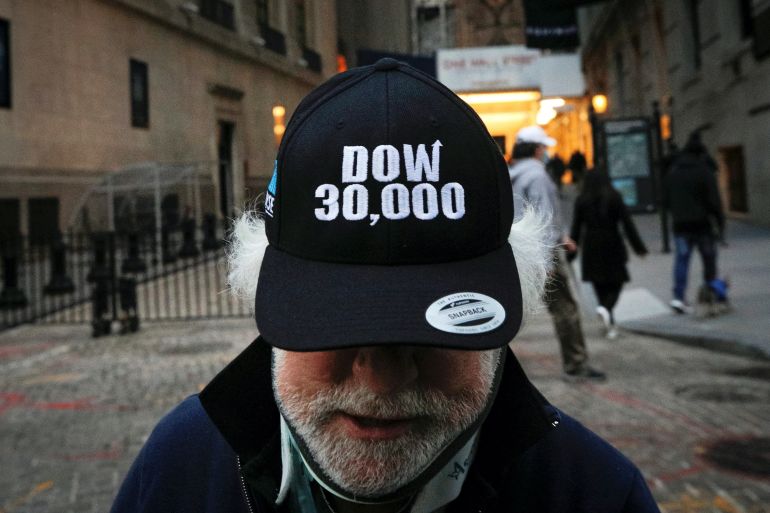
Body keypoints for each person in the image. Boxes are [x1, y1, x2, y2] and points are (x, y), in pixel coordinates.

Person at [110, 59, 659, 513]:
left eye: (431, 327)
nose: (383, 375)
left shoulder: (597, 495)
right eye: (334, 319)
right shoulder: (180, 468)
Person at [509, 126, 606, 381]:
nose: (546, 152)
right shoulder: (537, 176)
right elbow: (543, 217)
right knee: (566, 309)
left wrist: (563, 236)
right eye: (544, 147)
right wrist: (548, 260)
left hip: (521, 251)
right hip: (543, 253)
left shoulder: (512, 175)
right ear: (537, 149)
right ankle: (576, 364)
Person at [570, 170, 648, 339]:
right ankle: (606, 311)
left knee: (599, 285)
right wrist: (639, 248)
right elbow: (627, 224)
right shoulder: (614, 197)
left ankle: (609, 321)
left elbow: (576, 228)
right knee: (617, 281)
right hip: (612, 243)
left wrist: (571, 254)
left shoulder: (582, 200)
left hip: (591, 245)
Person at [662, 130, 725, 314]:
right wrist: (720, 225)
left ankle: (678, 297)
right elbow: (714, 201)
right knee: (709, 260)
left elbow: (665, 200)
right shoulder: (704, 172)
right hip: (702, 224)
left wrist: (676, 212)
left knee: (682, 261)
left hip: (681, 225)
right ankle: (710, 293)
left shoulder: (673, 172)